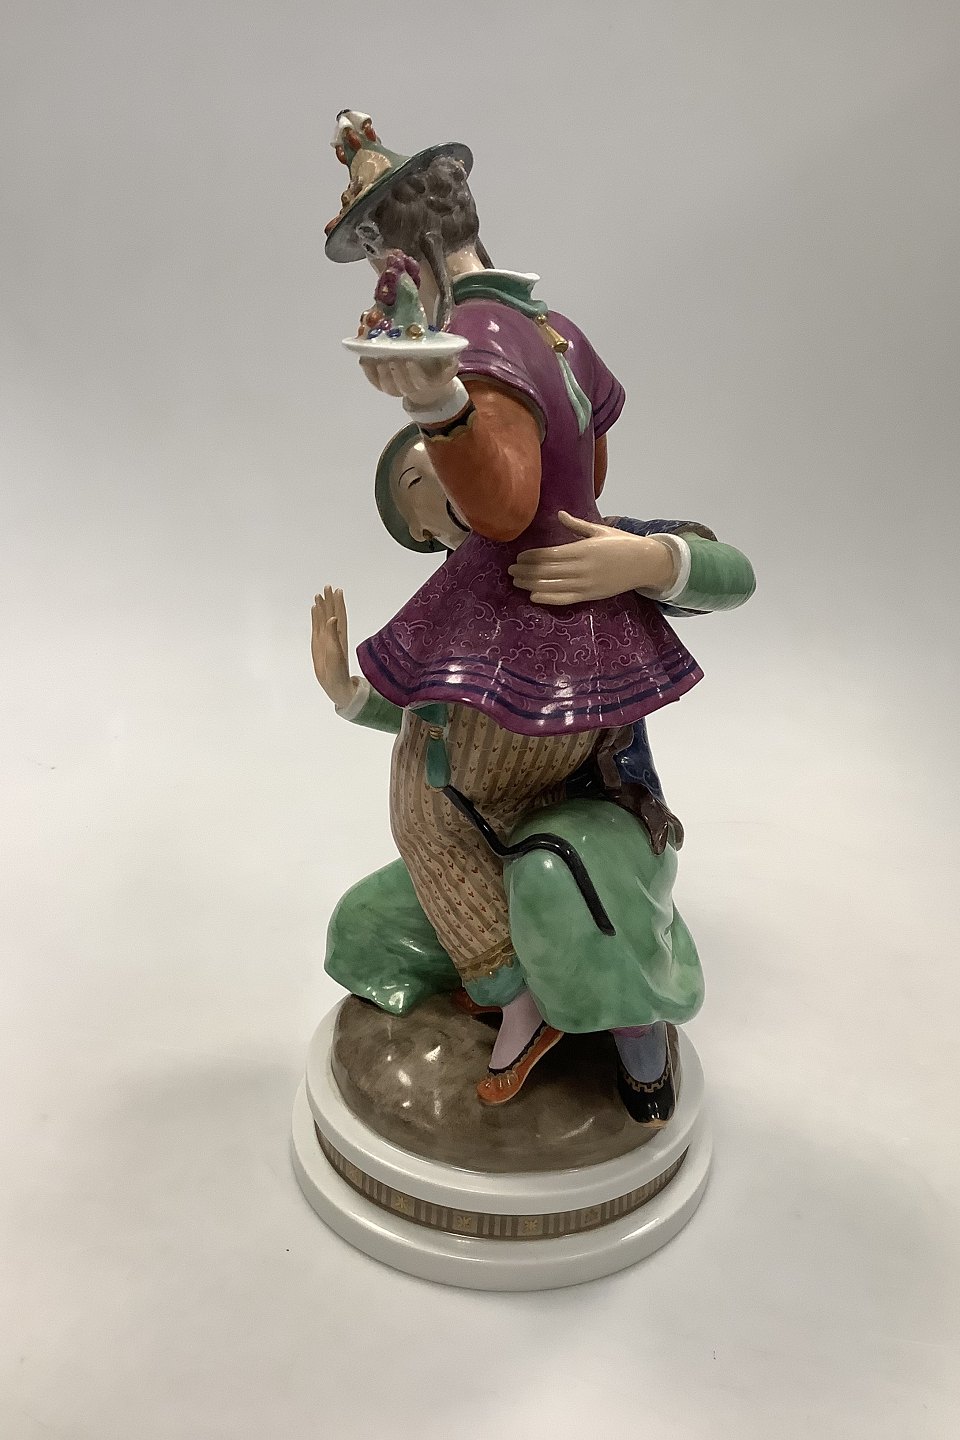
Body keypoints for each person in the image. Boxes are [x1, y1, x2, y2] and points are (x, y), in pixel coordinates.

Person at [319, 111, 755, 1122]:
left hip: (532, 636)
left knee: (427, 797)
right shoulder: (555, 329)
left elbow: (508, 507)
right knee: (447, 808)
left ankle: (526, 999)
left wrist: (440, 410)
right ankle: (533, 984)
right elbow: (586, 459)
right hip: (570, 650)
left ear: (404, 252)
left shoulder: (472, 335)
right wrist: (346, 693)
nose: (379, 275)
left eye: (377, 254)